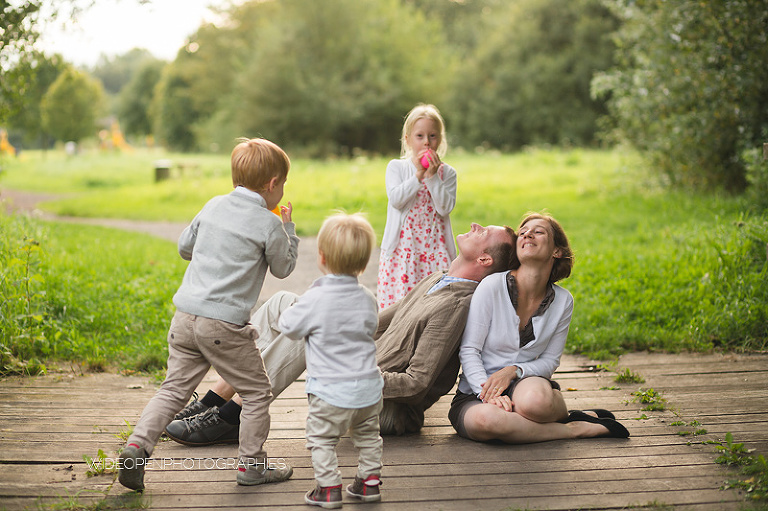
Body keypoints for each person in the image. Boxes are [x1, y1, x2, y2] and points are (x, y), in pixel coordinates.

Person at [164, 222, 516, 446]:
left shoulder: (458, 305)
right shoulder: (437, 279)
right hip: (364, 371)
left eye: (484, 232)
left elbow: (417, 383)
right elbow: (376, 322)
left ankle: (234, 417)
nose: (475, 225)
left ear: (485, 260)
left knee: (315, 328)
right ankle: (216, 400)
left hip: (384, 407)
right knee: (283, 303)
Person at [117, 138, 300, 491]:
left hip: (185, 318)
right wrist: (287, 230)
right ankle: (252, 467)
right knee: (257, 393)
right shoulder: (268, 223)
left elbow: (185, 247)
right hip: (224, 326)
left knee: (173, 390)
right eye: (284, 183)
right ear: (272, 183)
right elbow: (283, 267)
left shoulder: (213, 205)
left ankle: (137, 448)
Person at [448, 212, 630, 444]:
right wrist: (487, 395)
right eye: (523, 232)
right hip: (476, 392)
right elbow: (469, 350)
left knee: (537, 403)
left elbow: (550, 361)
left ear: (557, 251)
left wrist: (514, 370)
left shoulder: (563, 301)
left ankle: (542, 416)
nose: (527, 234)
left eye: (538, 231)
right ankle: (574, 427)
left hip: (526, 385)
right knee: (490, 420)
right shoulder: (491, 286)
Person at [277, 213, 383, 508]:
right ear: (363, 263)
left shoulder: (316, 298)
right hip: (368, 389)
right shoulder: (367, 297)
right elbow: (371, 327)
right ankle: (369, 483)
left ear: (321, 257)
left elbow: (288, 326)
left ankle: (328, 487)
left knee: (322, 439)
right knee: (368, 436)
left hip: (330, 391)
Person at [376, 103, 457, 310]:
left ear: (440, 139)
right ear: (408, 139)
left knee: (435, 304)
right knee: (401, 304)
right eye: (420, 136)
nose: (427, 142)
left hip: (435, 249)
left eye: (432, 136)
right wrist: (418, 175)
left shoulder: (447, 174)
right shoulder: (397, 167)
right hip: (404, 249)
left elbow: (444, 208)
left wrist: (432, 177)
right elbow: (396, 199)